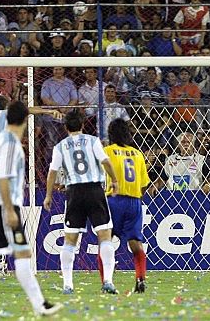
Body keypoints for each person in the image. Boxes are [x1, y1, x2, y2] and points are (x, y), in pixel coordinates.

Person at [0, 101, 63, 318]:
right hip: (5, 208)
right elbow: (5, 177)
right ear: (25, 120)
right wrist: (8, 208)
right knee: (20, 253)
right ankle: (39, 305)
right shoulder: (11, 144)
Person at [43, 110, 120, 295]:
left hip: (74, 192)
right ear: (83, 125)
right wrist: (115, 181)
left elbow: (52, 172)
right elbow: (105, 161)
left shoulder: (60, 146)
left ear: (66, 127)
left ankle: (68, 285)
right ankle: (108, 281)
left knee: (70, 240)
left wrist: (48, 195)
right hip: (94, 190)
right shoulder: (93, 141)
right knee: (104, 236)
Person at [103, 118, 150, 293]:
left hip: (114, 200)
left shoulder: (107, 151)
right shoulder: (138, 154)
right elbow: (144, 183)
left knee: (105, 241)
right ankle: (140, 278)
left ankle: (106, 281)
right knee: (136, 243)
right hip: (134, 201)